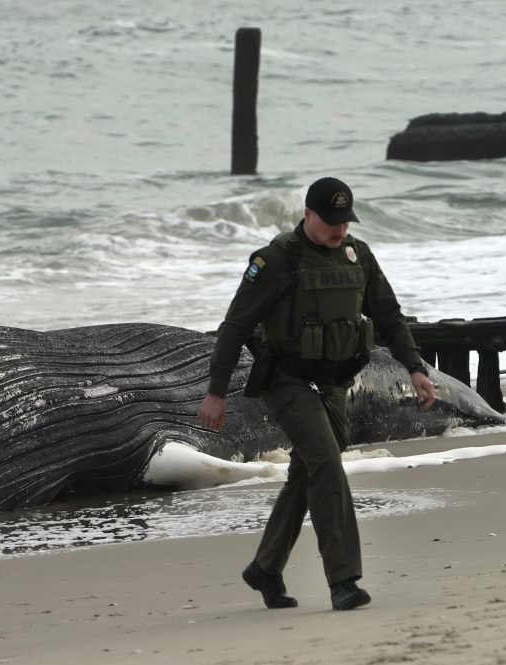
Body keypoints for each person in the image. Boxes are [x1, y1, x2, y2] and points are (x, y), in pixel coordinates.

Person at [197, 176, 437, 611]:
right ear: (307, 214)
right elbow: (233, 326)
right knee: (326, 462)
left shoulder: (356, 256)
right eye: (330, 221)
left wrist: (416, 368)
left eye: (344, 221)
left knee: (308, 472)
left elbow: (387, 314)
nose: (339, 230)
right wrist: (217, 392)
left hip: (334, 382)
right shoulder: (276, 261)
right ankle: (343, 580)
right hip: (286, 381)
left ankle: (265, 569)